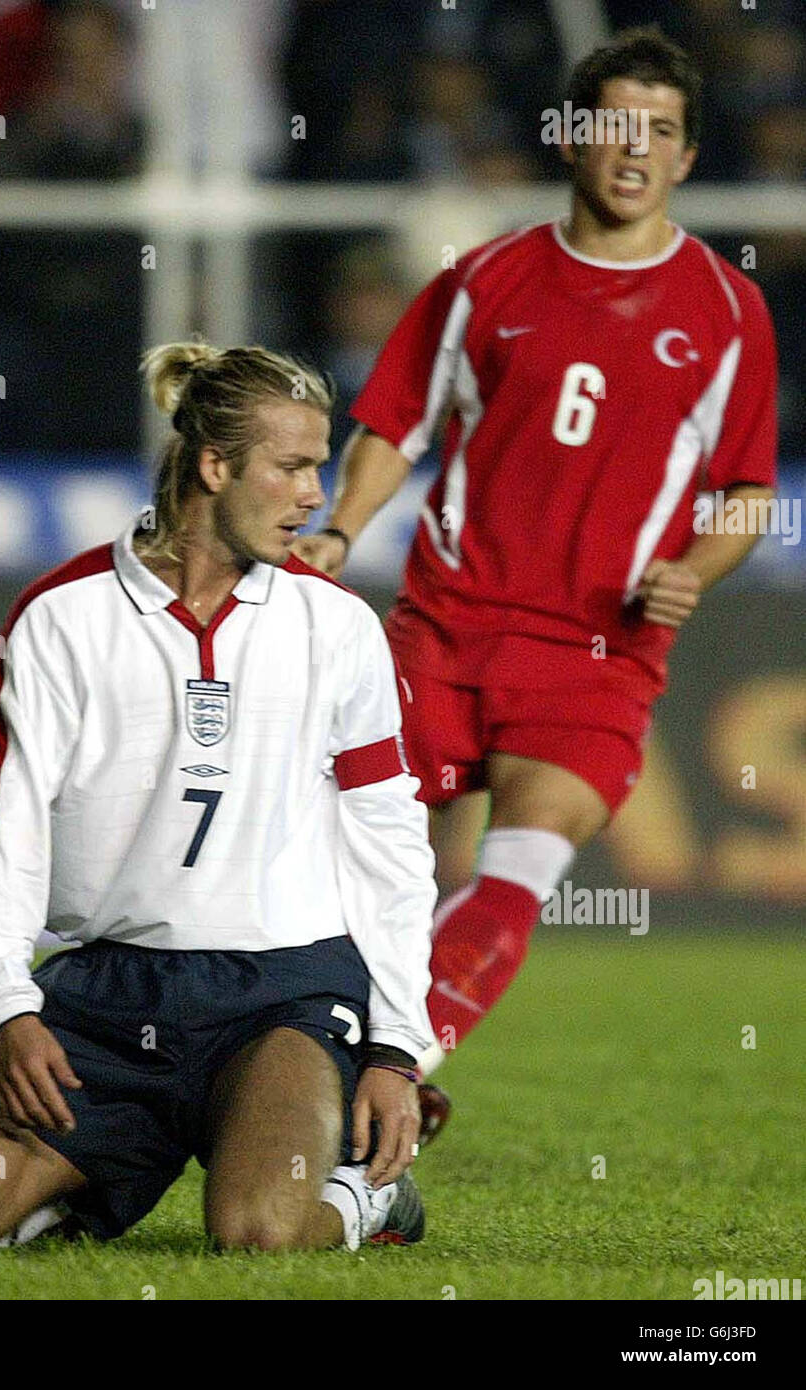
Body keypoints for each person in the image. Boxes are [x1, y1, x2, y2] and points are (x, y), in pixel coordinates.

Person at [294, 28, 778, 1076]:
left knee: (521, 865)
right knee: (357, 867)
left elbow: (746, 494)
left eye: (660, 130)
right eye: (615, 124)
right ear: (569, 138)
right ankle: (286, 1071)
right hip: (445, 625)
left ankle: (389, 1080)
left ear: (687, 157)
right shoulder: (485, 280)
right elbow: (393, 422)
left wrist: (690, 570)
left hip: (596, 651)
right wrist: (340, 527)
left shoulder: (727, 311)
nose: (635, 148)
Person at [0, 342, 437, 1253]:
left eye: (320, 468)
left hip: (283, 995)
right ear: (215, 467)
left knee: (258, 1232)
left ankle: (366, 1198)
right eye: (294, 467)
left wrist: (394, 1048)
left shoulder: (336, 626)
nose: (315, 496)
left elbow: (388, 839)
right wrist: (8, 1007)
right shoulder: (61, 617)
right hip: (108, 992)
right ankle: (93, 1179)